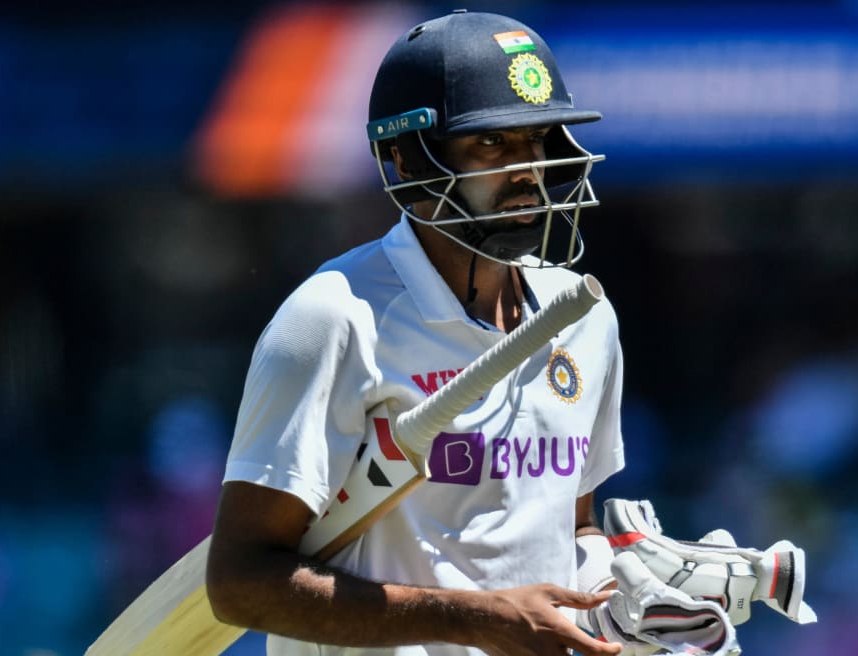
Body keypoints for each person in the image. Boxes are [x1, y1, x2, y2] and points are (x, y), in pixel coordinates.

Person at [206, 10, 633, 656]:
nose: (527, 172)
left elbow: (571, 523)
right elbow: (239, 584)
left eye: (536, 138)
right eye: (491, 145)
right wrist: (472, 619)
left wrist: (623, 589)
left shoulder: (584, 318)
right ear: (406, 158)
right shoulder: (334, 319)